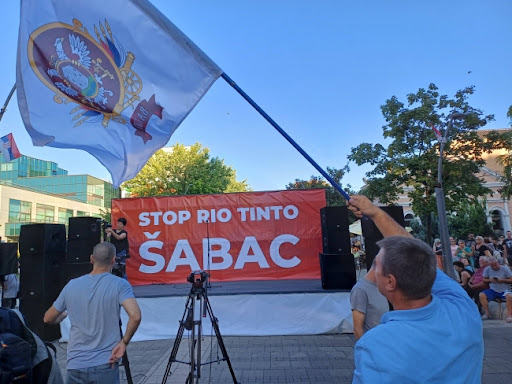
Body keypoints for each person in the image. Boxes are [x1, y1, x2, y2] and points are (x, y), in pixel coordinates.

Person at [348, 195, 483, 384]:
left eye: (376, 265)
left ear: (390, 282)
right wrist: (375, 213)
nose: (373, 268)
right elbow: (416, 251)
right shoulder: (462, 308)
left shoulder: (376, 345)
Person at [44, 242, 141, 383]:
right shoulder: (120, 284)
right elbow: (136, 316)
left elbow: (48, 318)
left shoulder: (72, 285)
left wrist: (63, 315)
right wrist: (124, 342)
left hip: (75, 363)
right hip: (106, 362)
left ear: (91, 258)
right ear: (113, 260)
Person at [350, 260, 389, 340]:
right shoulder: (360, 290)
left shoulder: (381, 286)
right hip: (373, 347)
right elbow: (357, 330)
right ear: (379, 268)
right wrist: (365, 350)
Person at [479, 256, 512, 322]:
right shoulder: (487, 269)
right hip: (493, 289)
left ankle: (509, 315)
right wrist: (490, 280)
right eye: (492, 266)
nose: (494, 267)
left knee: (509, 296)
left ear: (498, 263)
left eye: (495, 265)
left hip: (505, 290)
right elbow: (484, 280)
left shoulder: (505, 268)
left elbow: (511, 279)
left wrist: (501, 280)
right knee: (481, 294)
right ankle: (487, 313)